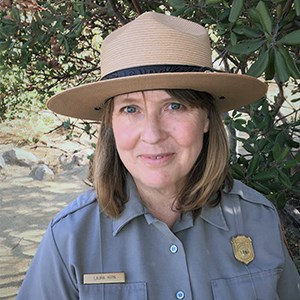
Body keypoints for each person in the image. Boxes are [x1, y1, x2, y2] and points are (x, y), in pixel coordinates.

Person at [17, 11, 300, 300]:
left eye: (174, 106)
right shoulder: (70, 238)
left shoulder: (257, 219)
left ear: (206, 119)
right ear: (110, 125)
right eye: (130, 109)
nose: (152, 134)